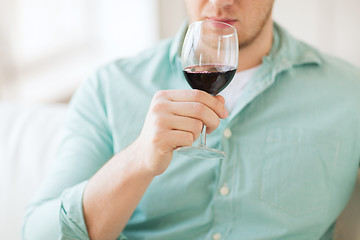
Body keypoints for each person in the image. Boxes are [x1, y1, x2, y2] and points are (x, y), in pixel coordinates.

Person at [23, 0, 360, 239]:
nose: (221, 2)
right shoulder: (110, 87)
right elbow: (39, 234)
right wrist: (138, 160)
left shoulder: (348, 93)